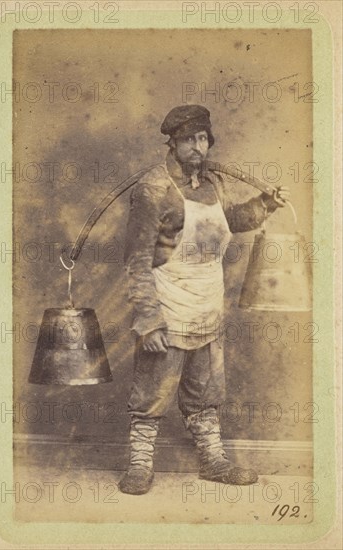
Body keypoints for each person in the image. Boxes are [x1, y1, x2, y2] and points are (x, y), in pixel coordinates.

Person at [120, 105, 290, 495]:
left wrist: (264, 205)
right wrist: (149, 319)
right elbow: (137, 259)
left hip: (208, 307)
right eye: (187, 140)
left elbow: (229, 221)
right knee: (152, 393)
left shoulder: (215, 184)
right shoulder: (153, 189)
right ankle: (140, 464)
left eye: (202, 139)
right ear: (172, 143)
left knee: (205, 393)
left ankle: (213, 460)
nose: (197, 147)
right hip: (167, 306)